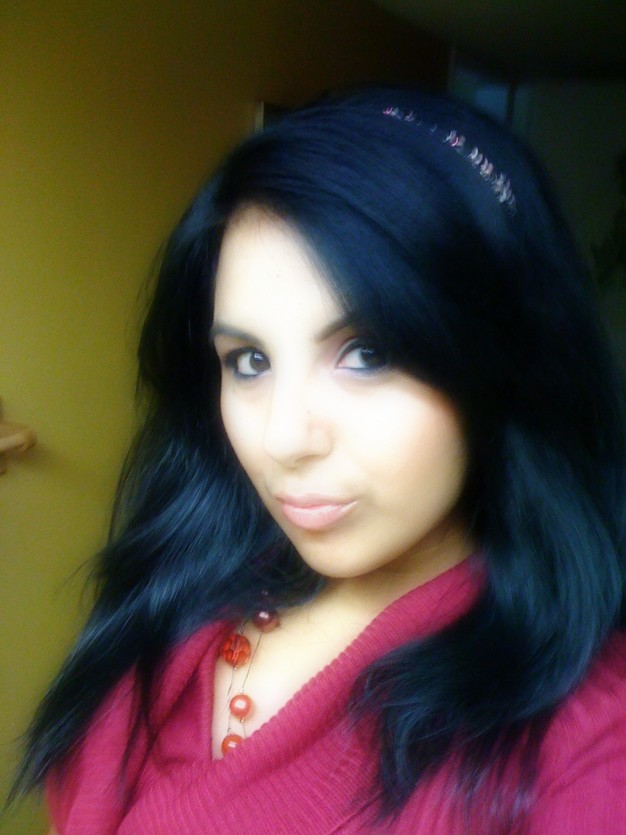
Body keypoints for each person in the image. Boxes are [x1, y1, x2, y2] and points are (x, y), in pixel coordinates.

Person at [14, 86, 626, 833]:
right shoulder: (182, 590)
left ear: (505, 361)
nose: (282, 438)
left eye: (366, 353)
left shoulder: (588, 743)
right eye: (248, 360)